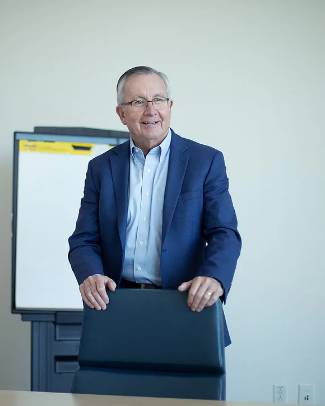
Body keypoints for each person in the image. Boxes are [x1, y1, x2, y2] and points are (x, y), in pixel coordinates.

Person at [68, 66, 241, 346]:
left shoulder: (205, 162)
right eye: (138, 102)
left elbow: (225, 232)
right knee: (115, 390)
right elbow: (84, 239)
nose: (151, 110)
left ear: (170, 106)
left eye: (158, 99)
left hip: (187, 307)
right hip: (117, 307)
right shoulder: (101, 168)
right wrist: (90, 274)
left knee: (187, 391)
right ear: (121, 114)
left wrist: (214, 278)